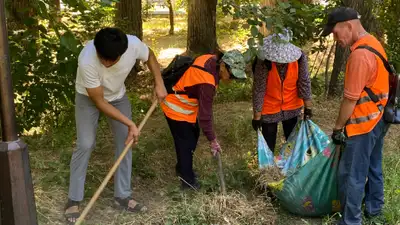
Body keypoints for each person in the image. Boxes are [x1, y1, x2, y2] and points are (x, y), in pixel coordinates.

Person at [64, 27, 167, 224]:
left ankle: (123, 196)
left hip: (118, 96)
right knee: (85, 144)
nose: (107, 63)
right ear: (97, 51)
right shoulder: (86, 60)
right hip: (89, 98)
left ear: (122, 53)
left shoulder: (133, 45)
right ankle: (74, 199)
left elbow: (150, 56)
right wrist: (130, 123)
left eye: (113, 60)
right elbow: (100, 102)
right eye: (104, 59)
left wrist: (159, 82)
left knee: (126, 141)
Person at [322, 7, 389, 225]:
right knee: (373, 165)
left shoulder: (359, 55)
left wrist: (338, 128)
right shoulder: (374, 43)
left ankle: (350, 221)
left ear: (348, 26)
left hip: (362, 126)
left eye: (334, 33)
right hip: (378, 118)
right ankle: (374, 207)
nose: (335, 39)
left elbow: (350, 99)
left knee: (351, 175)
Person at [160, 49, 246, 190]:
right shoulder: (207, 82)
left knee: (192, 136)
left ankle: (182, 168)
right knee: (186, 142)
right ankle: (187, 182)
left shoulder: (210, 59)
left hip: (186, 103)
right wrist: (213, 140)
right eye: (232, 75)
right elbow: (205, 117)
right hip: (175, 104)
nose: (232, 79)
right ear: (223, 65)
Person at [251, 29, 313, 152]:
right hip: (269, 106)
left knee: (293, 143)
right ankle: (269, 169)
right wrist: (257, 116)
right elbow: (259, 88)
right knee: (268, 144)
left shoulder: (299, 58)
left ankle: (291, 168)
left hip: (292, 105)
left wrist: (308, 107)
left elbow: (304, 82)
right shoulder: (263, 60)